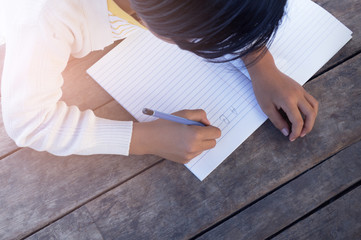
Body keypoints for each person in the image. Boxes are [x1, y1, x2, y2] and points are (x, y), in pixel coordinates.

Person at [0, 0, 318, 164]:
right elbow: (28, 121)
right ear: (163, 33)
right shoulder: (44, 17)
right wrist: (142, 139)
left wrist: (260, 62)